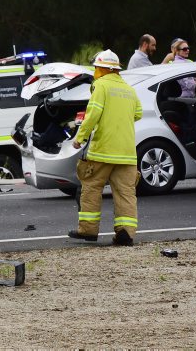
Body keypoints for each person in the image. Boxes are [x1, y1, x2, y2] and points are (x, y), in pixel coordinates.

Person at [68, 50, 142, 247]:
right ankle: (125, 233)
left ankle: (88, 230)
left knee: (91, 187)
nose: (95, 72)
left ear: (103, 69)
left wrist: (80, 138)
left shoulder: (100, 86)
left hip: (103, 150)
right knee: (126, 192)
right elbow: (138, 114)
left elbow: (93, 114)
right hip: (127, 153)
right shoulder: (129, 89)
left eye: (96, 68)